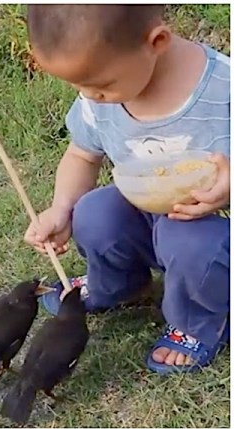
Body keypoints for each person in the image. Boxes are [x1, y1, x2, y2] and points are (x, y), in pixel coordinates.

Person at [23, 5, 230, 374]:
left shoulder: (223, 91)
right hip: (151, 217)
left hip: (212, 235)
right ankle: (119, 285)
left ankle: (198, 321)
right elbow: (82, 156)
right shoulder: (98, 95)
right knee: (93, 211)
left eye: (101, 84)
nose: (90, 95)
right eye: (78, 86)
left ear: (157, 41)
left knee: (189, 240)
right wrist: (60, 207)